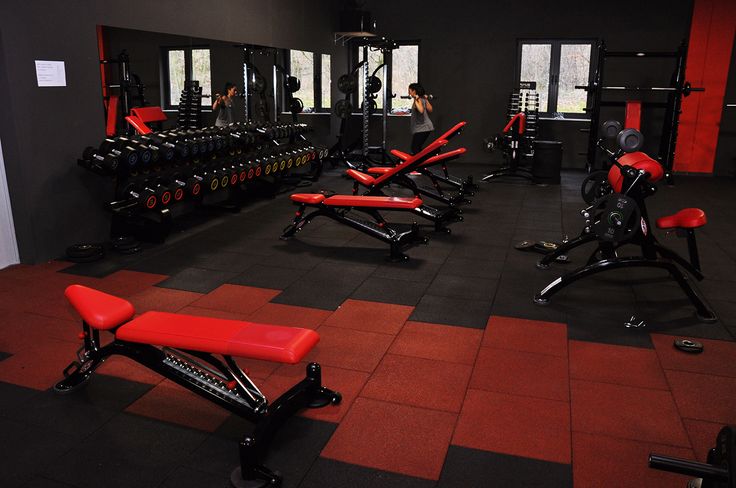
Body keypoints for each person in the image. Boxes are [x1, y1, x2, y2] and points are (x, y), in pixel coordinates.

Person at [408, 82, 434, 154]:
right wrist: (425, 99)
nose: (409, 93)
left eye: (409, 91)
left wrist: (416, 99)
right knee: (417, 148)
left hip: (422, 128)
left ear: (414, 91)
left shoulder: (418, 100)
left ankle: (422, 161)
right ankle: (423, 161)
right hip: (424, 128)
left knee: (415, 148)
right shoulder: (422, 99)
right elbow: (430, 110)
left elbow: (421, 110)